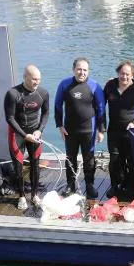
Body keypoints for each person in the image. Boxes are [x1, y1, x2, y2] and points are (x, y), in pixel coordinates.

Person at [54, 57, 105, 199]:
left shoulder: (95, 86)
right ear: (73, 69)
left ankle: (90, 185)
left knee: (89, 159)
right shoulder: (64, 84)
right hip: (70, 130)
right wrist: (59, 125)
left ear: (88, 71)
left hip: (89, 130)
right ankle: (71, 185)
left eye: (84, 70)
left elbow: (101, 109)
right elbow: (58, 105)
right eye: (79, 69)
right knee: (70, 158)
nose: (81, 72)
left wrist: (101, 130)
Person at [4, 64, 50, 210]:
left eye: (39, 79)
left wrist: (40, 130)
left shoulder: (43, 93)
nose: (37, 82)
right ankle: (22, 196)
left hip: (35, 133)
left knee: (35, 165)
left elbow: (46, 113)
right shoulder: (13, 94)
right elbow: (9, 118)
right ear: (25, 77)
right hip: (17, 133)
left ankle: (35, 195)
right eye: (34, 79)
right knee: (18, 166)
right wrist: (25, 135)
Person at [103, 60, 134, 200]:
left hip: (131, 132)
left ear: (133, 75)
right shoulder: (110, 86)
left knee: (131, 160)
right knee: (115, 159)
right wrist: (101, 126)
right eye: (122, 73)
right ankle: (115, 186)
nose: (124, 77)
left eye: (127, 74)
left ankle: (132, 186)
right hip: (113, 131)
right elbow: (100, 106)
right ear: (118, 73)